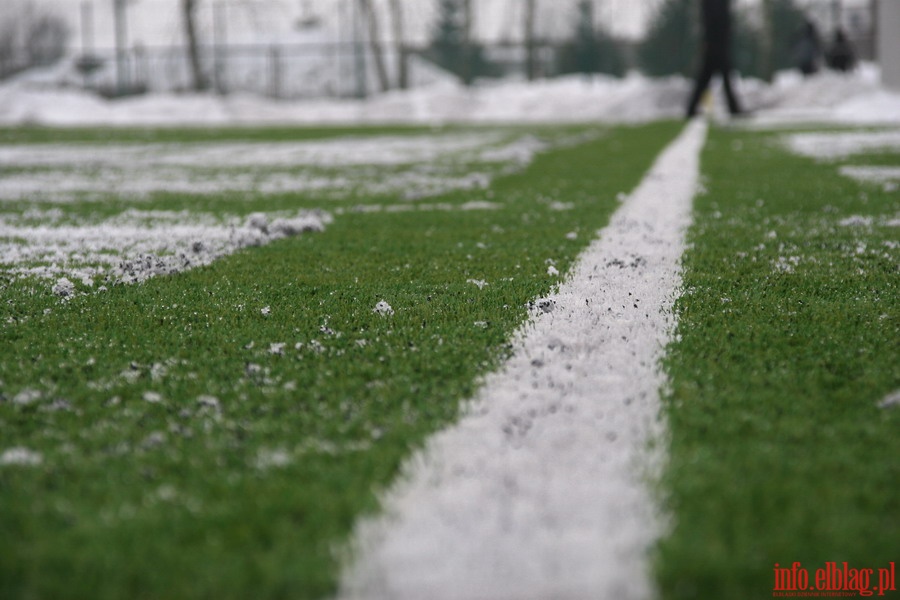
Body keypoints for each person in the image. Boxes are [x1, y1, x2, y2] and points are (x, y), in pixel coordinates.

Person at [686, 0, 744, 118]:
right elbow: (718, 22)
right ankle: (734, 109)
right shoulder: (714, 3)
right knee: (723, 79)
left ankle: (691, 109)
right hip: (716, 45)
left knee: (706, 79)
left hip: (715, 44)